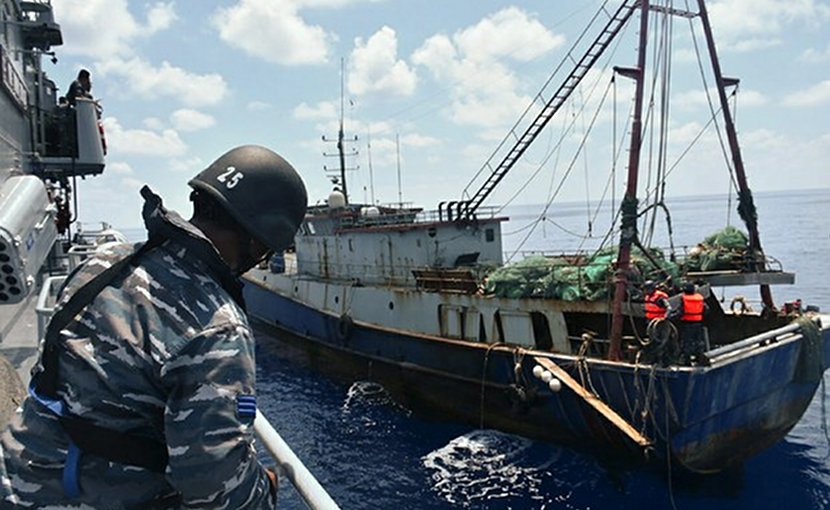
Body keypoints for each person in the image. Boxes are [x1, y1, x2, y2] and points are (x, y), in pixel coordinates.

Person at [0, 145, 307, 508]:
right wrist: (264, 490)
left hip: (17, 478)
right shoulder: (216, 326)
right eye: (266, 252)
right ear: (256, 240)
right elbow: (215, 486)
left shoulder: (104, 261)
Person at [673, 282, 710, 366]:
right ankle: (700, 358)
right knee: (699, 341)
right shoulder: (699, 298)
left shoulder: (684, 299)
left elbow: (680, 312)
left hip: (688, 323)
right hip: (698, 323)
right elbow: (706, 310)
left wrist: (671, 316)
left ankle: (687, 361)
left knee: (687, 342)